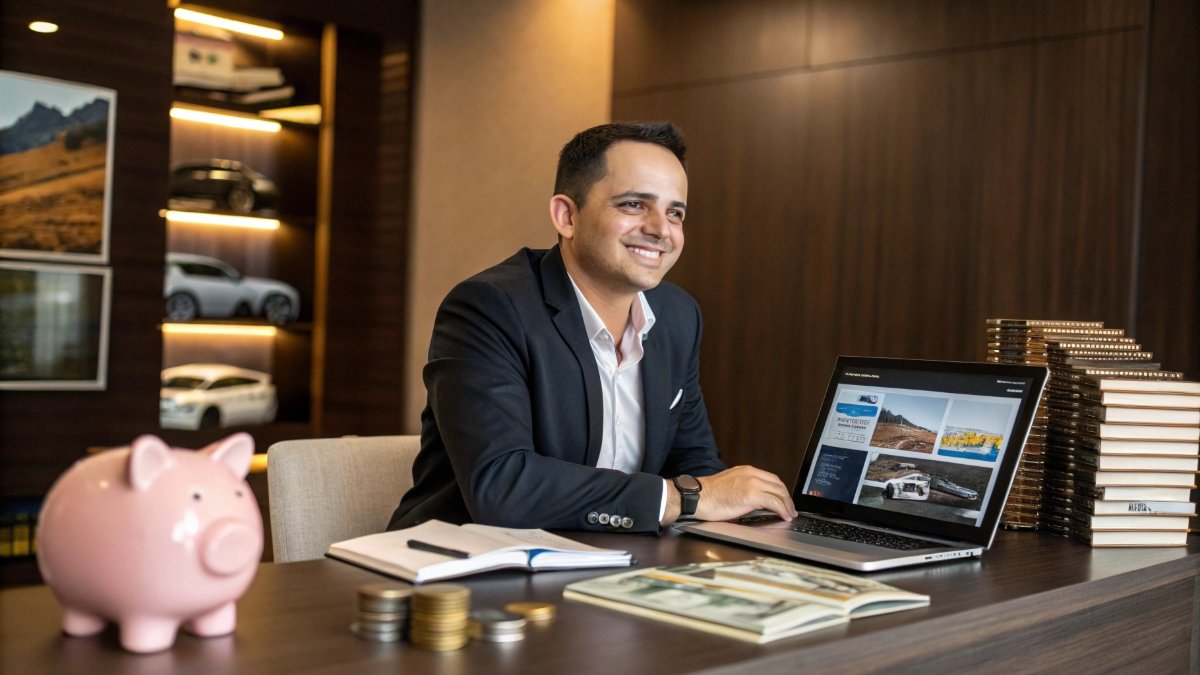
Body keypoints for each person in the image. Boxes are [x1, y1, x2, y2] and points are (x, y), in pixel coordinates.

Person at [388, 122, 796, 533]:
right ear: (567, 215)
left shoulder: (677, 315)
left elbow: (695, 463)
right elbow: (503, 486)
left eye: (675, 212)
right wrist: (681, 498)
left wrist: (750, 518)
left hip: (612, 563)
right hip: (466, 567)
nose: (661, 230)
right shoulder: (489, 307)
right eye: (634, 205)